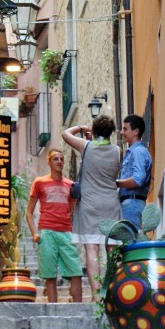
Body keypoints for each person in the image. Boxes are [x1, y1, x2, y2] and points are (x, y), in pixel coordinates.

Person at [63, 116, 121, 299]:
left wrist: (81, 128)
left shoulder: (86, 146)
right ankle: (113, 292)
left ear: (94, 130)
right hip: (111, 203)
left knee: (91, 248)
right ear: (111, 132)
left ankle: (97, 295)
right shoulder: (118, 151)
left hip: (90, 204)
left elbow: (65, 134)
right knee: (112, 247)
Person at [26, 149, 83, 303]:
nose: (59, 162)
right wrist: (34, 233)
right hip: (47, 232)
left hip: (66, 232)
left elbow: (74, 210)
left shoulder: (70, 185)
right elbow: (29, 212)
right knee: (50, 275)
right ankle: (53, 309)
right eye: (55, 159)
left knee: (76, 272)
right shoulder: (39, 182)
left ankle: (79, 308)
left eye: (61, 159)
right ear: (49, 162)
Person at [116, 114, 153, 229]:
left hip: (132, 203)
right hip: (132, 203)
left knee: (130, 238)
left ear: (136, 131)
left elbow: (138, 179)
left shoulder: (137, 152)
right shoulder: (135, 152)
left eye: (125, 129)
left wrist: (116, 183)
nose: (122, 132)